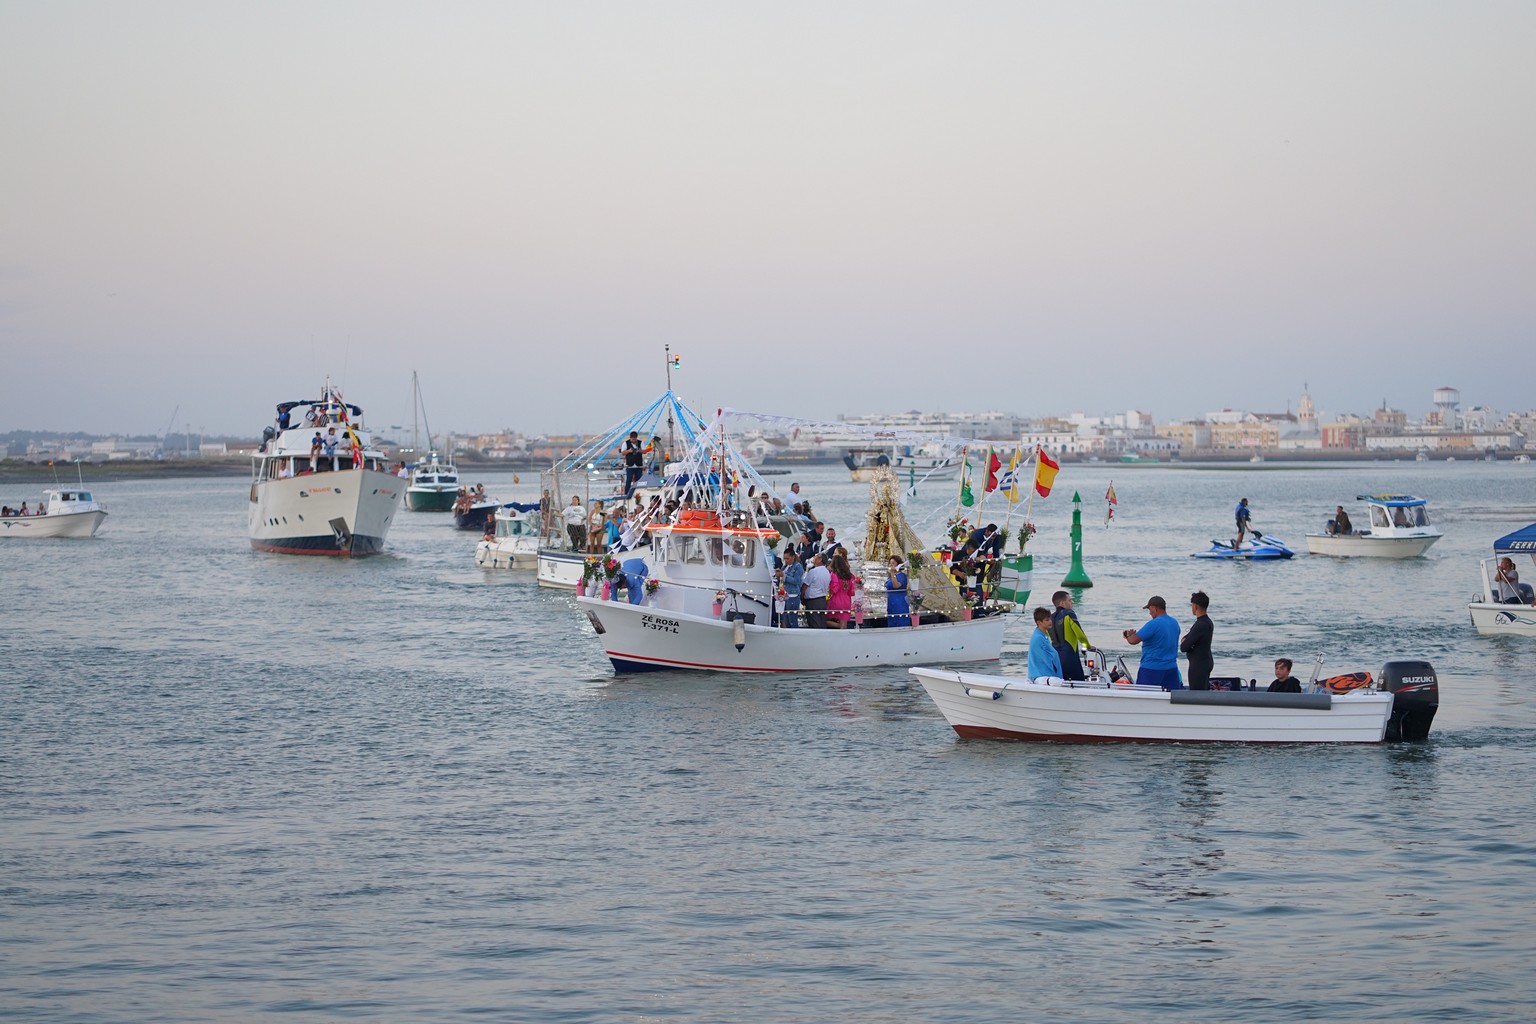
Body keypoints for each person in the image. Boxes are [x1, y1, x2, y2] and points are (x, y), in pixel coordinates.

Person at [1122, 595, 1183, 689]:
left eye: (1149, 609)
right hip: (1171, 669)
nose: (1149, 613)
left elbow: (1133, 641)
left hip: (1151, 669)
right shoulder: (1174, 623)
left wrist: (1128, 635)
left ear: (1155, 608)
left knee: (1144, 700)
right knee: (1170, 700)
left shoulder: (1153, 624)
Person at [1050, 590, 1089, 681]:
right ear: (1062, 603)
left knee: (1060, 684)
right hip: (1070, 658)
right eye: (1070, 600)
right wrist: (1088, 646)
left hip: (1056, 660)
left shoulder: (1050, 618)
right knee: (1078, 684)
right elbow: (1080, 636)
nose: (1072, 603)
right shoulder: (1069, 614)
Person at [1180, 591, 1214, 691]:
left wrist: (1185, 641)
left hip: (1199, 665)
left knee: (1197, 692)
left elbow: (1184, 647)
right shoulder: (1207, 621)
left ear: (1195, 606)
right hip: (1204, 661)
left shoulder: (1200, 624)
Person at [1028, 607, 1063, 681]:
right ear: (1039, 622)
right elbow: (1045, 659)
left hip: (1046, 676)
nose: (1050, 621)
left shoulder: (1044, 635)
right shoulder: (1038, 638)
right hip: (1042, 676)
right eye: (1047, 620)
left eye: (1050, 619)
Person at [826, 550, 857, 628]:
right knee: (844, 624)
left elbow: (834, 589)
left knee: (824, 620)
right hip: (846, 600)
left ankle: (839, 627)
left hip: (836, 600)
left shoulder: (834, 574)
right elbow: (852, 592)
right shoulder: (850, 575)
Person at [802, 553, 831, 627]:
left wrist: (802, 597)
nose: (813, 559)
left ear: (820, 560)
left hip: (813, 600)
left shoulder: (813, 571)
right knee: (821, 621)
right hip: (822, 599)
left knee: (814, 622)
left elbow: (805, 586)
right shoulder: (826, 572)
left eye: (815, 557)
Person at [780, 549, 804, 628]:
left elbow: (797, 580)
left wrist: (784, 576)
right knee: (785, 618)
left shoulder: (798, 566)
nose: (786, 560)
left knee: (792, 619)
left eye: (788, 558)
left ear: (793, 557)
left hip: (793, 595)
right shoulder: (785, 566)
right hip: (784, 595)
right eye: (785, 559)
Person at [885, 556, 911, 627]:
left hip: (899, 601)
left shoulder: (902, 576)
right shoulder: (890, 577)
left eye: (893, 563)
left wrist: (892, 573)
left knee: (900, 620)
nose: (891, 565)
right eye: (890, 563)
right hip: (891, 601)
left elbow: (896, 585)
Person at [622, 430, 644, 495]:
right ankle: (627, 493)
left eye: (635, 438)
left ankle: (639, 492)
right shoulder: (625, 443)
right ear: (630, 438)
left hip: (638, 465)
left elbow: (644, 451)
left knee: (639, 480)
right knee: (629, 480)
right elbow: (623, 453)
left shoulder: (641, 443)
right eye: (632, 438)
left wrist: (638, 450)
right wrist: (629, 451)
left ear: (636, 438)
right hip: (630, 465)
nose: (633, 440)